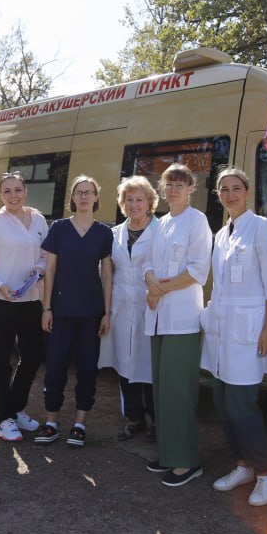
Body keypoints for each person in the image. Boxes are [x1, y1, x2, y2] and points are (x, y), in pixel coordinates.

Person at [202, 168, 267, 507]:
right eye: (224, 189)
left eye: (236, 188)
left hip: (249, 332)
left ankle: (266, 474)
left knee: (242, 405)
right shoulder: (222, 234)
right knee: (221, 401)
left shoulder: (261, 227)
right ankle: (243, 465)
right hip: (221, 330)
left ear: (248, 193)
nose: (230, 194)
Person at [143, 163, 212, 487]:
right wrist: (152, 283)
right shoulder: (160, 223)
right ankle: (169, 453)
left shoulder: (197, 221)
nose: (173, 190)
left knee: (180, 391)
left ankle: (187, 460)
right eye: (169, 184)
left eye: (180, 185)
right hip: (158, 316)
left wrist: (160, 288)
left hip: (182, 318)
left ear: (190, 189)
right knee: (162, 389)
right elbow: (147, 263)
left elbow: (198, 270)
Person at [38, 176, 114, 447]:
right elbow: (50, 270)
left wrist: (106, 312)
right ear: (72, 197)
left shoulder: (104, 233)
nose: (84, 197)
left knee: (87, 369)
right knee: (55, 367)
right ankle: (51, 423)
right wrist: (46, 308)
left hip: (91, 312)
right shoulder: (58, 228)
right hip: (60, 310)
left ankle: (80, 424)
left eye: (89, 192)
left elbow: (107, 274)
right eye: (79, 192)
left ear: (96, 197)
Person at [0, 173, 49, 442]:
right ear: (0, 195)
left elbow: (45, 254)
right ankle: (2, 418)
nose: (13, 195)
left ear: (26, 191)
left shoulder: (39, 220)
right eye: (7, 191)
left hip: (30, 300)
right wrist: (0, 286)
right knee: (1, 360)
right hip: (0, 301)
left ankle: (16, 409)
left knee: (31, 357)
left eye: (18, 189)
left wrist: (39, 270)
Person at [102, 175, 160, 442]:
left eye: (140, 199)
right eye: (129, 199)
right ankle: (133, 418)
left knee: (150, 368)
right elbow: (105, 274)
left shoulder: (162, 232)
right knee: (125, 365)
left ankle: (157, 422)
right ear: (122, 204)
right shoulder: (114, 235)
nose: (134, 204)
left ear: (150, 202)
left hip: (153, 309)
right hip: (122, 309)